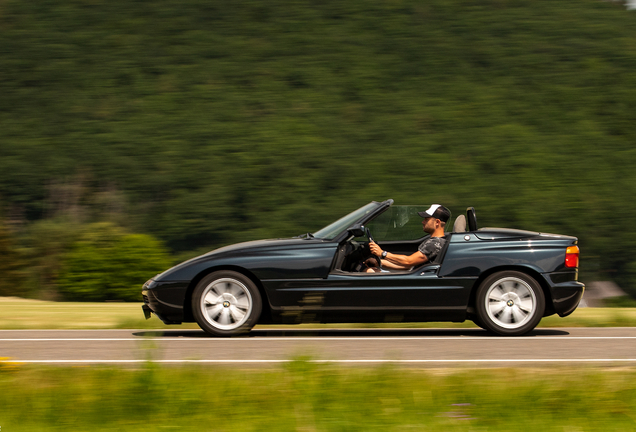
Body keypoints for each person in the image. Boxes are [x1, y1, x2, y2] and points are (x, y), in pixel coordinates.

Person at [369, 204, 450, 271]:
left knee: (369, 271)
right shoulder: (435, 241)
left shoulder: (434, 244)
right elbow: (408, 266)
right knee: (371, 270)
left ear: (437, 222)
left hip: (416, 281)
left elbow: (408, 261)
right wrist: (380, 262)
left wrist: (382, 253)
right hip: (412, 275)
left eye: (426, 219)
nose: (423, 222)